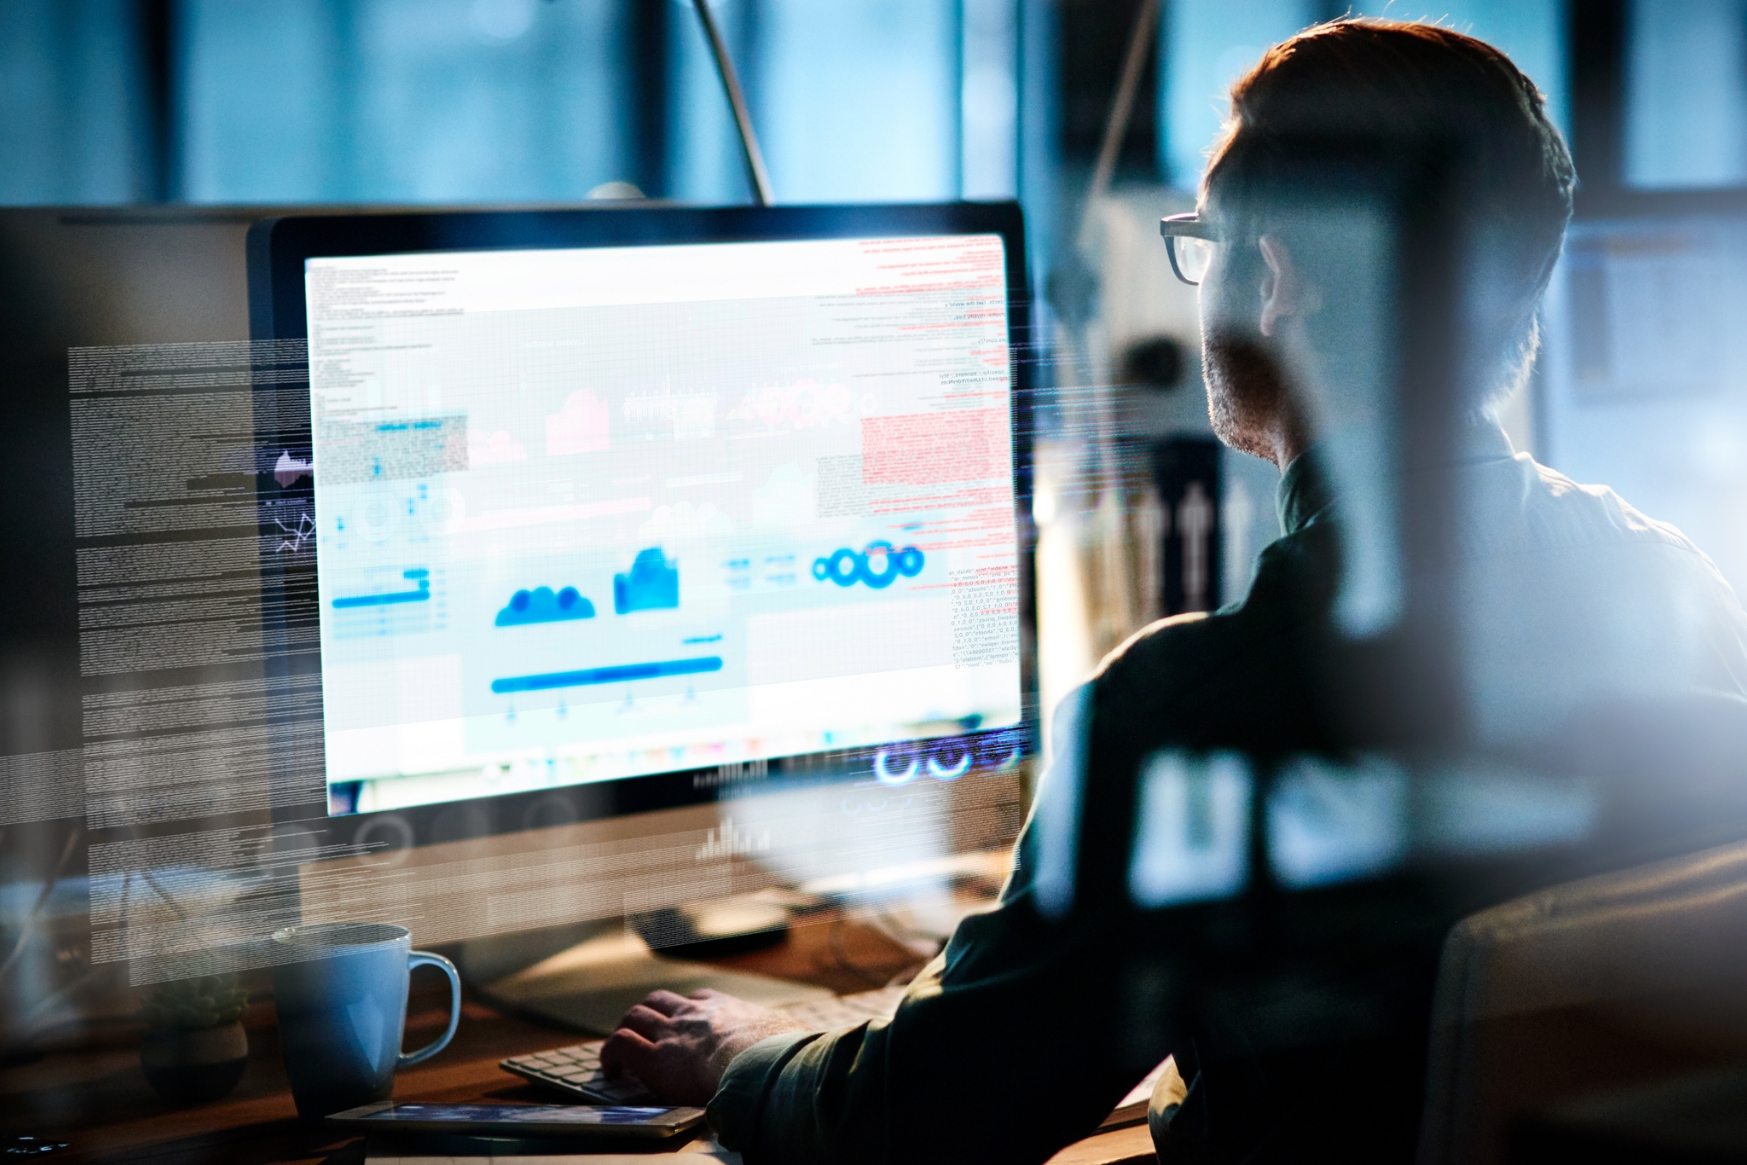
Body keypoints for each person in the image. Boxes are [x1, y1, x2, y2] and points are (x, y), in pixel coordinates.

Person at [599, 19, 1747, 1165]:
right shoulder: (1682, 592)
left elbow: (908, 1125)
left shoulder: (1181, 718)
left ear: (1280, 278)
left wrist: (751, 1052)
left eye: (1206, 242)